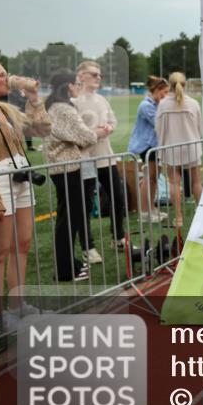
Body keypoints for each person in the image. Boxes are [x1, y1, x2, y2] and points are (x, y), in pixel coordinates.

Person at [0, 59, 52, 333]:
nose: (7, 78)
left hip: (20, 177)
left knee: (23, 244)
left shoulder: (6, 109)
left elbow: (43, 129)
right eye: (1, 75)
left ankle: (18, 305)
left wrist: (33, 98)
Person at [43, 69, 101, 282]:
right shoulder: (63, 109)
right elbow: (85, 136)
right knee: (68, 219)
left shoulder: (55, 107)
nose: (78, 86)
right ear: (68, 86)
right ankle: (65, 270)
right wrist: (97, 133)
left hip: (62, 167)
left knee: (67, 217)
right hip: (66, 168)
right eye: (76, 83)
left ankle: (68, 264)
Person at [73, 60, 127, 257]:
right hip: (85, 158)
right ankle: (88, 247)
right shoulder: (74, 101)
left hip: (106, 156)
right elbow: (75, 131)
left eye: (100, 75)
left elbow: (113, 120)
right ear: (81, 76)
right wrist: (95, 132)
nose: (98, 78)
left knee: (118, 197)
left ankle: (118, 237)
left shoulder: (102, 99)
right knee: (85, 204)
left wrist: (109, 128)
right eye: (94, 74)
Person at [156, 72, 203, 228]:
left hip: (171, 148)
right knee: (197, 181)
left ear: (169, 85)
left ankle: (179, 218)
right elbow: (199, 128)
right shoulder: (193, 103)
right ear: (185, 84)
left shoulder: (163, 105)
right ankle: (201, 214)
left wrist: (162, 147)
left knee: (174, 183)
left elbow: (159, 129)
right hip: (191, 147)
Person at [127, 76, 168, 222]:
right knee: (149, 178)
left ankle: (152, 208)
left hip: (155, 146)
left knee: (154, 178)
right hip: (147, 146)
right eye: (164, 92)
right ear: (156, 90)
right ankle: (145, 212)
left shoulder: (157, 104)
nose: (166, 95)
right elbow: (159, 124)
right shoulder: (146, 105)